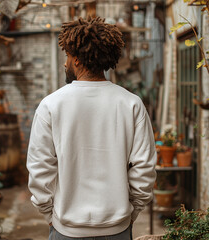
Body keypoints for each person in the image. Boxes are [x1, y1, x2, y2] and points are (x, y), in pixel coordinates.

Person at [27, 16, 157, 240]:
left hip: (66, 231)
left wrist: (49, 214)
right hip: (117, 229)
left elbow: (39, 170)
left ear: (77, 60)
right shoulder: (131, 103)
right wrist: (132, 212)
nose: (65, 63)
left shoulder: (50, 105)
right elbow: (144, 169)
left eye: (67, 56)